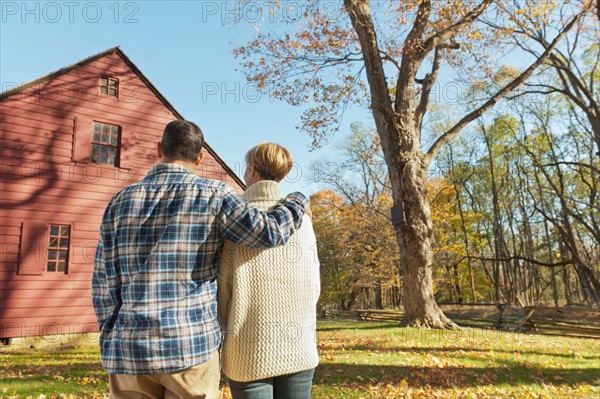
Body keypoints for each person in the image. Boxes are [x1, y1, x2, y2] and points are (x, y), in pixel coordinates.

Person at [92, 121, 309, 399]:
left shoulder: (119, 201)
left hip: (128, 350)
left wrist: (110, 334)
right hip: (190, 348)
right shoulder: (216, 195)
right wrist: (298, 200)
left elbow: (103, 282)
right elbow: (270, 232)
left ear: (160, 149)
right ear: (200, 157)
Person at [218, 143, 320, 399]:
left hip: (247, 350)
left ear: (252, 171)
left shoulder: (235, 221)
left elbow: (223, 290)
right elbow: (314, 284)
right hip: (299, 345)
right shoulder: (303, 220)